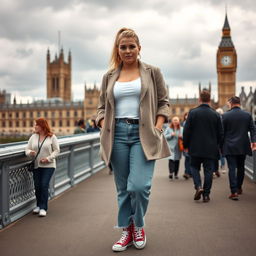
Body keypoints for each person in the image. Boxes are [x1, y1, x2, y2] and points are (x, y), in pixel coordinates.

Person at [96, 28, 170, 252]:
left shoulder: (152, 71)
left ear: (139, 48)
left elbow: (164, 102)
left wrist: (157, 127)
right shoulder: (109, 76)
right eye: (123, 47)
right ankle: (126, 230)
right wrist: (103, 125)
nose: (127, 50)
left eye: (131, 46)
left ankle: (138, 225)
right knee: (123, 188)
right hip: (116, 134)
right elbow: (101, 108)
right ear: (117, 50)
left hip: (143, 134)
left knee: (139, 186)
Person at [183, 89, 223, 203]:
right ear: (209, 100)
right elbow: (221, 133)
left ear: (199, 99)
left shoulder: (192, 112)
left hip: (195, 147)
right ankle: (206, 195)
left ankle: (198, 186)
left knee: (194, 168)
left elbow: (187, 131)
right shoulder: (216, 114)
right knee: (209, 171)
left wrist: (186, 144)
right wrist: (218, 145)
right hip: (211, 148)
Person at [222, 96, 256, 200]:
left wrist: (220, 145)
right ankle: (239, 187)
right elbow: (253, 129)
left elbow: (221, 133)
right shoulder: (247, 115)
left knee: (232, 168)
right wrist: (253, 141)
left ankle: (234, 192)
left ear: (231, 103)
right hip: (243, 145)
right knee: (241, 167)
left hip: (229, 146)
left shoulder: (225, 115)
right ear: (239, 103)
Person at [25, 118, 60, 217]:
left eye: (36, 125)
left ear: (42, 126)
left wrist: (48, 158)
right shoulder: (33, 137)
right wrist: (29, 152)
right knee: (37, 186)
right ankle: (38, 205)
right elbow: (27, 148)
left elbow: (57, 151)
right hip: (36, 165)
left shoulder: (52, 137)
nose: (34, 126)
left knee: (44, 185)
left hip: (49, 165)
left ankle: (43, 208)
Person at [182, 112, 192, 180]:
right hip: (187, 143)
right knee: (187, 159)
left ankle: (189, 172)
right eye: (186, 115)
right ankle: (187, 172)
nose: (187, 116)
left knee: (190, 159)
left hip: (191, 144)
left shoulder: (191, 123)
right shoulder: (184, 123)